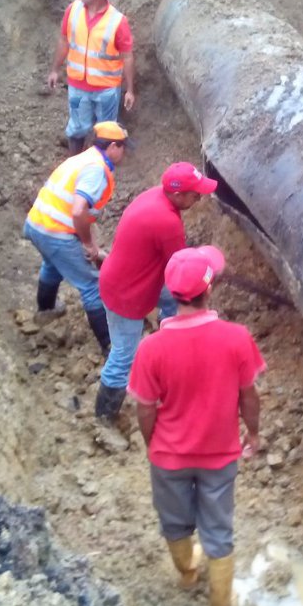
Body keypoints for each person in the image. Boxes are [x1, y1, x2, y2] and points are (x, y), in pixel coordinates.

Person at [128, 245, 264, 606]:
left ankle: (188, 573)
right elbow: (248, 395)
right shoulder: (236, 337)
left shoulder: (150, 348)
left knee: (174, 522)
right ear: (210, 290)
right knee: (218, 531)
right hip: (220, 456)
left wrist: (153, 445)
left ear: (171, 293)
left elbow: (145, 408)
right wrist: (252, 434)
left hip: (168, 457)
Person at [94, 161, 219, 422]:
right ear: (177, 194)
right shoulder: (167, 222)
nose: (199, 198)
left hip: (126, 279)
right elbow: (181, 271)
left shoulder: (154, 196)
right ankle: (104, 417)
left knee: (175, 301)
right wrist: (208, 272)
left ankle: (170, 340)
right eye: (195, 194)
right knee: (122, 357)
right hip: (127, 296)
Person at [24, 121, 130, 354]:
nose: (124, 152)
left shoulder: (84, 158)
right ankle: (110, 347)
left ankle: (46, 310)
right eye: (123, 147)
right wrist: (88, 244)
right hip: (55, 233)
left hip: (37, 225)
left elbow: (79, 212)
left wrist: (92, 245)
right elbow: (79, 210)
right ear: (113, 146)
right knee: (92, 284)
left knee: (52, 265)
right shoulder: (96, 170)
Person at [46, 0, 136, 154]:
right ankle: (75, 162)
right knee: (77, 127)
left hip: (106, 89)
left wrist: (130, 90)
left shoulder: (118, 22)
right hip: (78, 86)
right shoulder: (73, 10)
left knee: (105, 131)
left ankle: (101, 168)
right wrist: (55, 70)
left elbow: (127, 56)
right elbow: (64, 41)